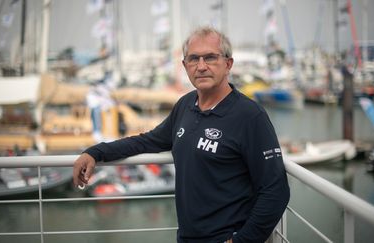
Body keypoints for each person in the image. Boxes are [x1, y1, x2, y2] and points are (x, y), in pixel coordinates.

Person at [73, 26, 290, 243]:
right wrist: (95, 152)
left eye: (210, 58)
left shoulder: (250, 116)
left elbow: (275, 191)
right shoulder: (186, 105)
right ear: (185, 66)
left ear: (228, 64)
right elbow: (147, 141)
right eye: (194, 59)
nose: (201, 66)